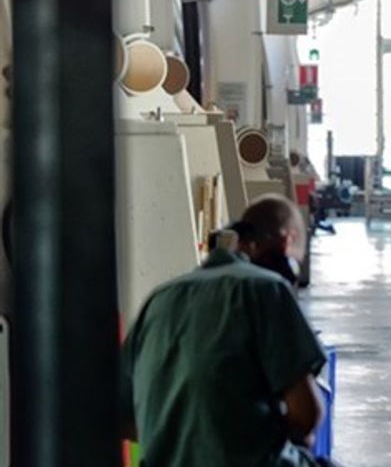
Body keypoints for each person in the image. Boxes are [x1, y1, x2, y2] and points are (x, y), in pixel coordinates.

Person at [120, 195, 330, 467]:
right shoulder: (267, 288)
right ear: (287, 241)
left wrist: (181, 439)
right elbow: (306, 415)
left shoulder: (159, 298)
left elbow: (121, 418)